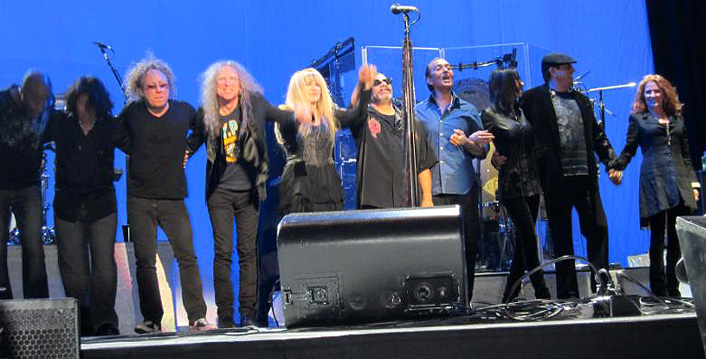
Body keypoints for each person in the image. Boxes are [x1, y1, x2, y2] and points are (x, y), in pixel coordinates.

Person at [186, 60, 303, 328]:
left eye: (232, 80)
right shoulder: (208, 112)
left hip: (249, 191)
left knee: (247, 253)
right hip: (220, 194)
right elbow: (191, 143)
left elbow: (282, 116)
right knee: (223, 253)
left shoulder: (255, 105)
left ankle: (248, 313)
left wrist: (302, 114)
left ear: (241, 85)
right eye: (222, 80)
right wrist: (178, 156)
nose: (227, 84)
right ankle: (225, 315)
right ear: (214, 86)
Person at [119, 57, 211, 333]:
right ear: (141, 89)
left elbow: (202, 129)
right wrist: (134, 151)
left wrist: (187, 150)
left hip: (172, 198)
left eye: (163, 85)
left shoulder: (183, 111)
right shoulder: (132, 113)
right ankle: (152, 319)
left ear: (170, 86)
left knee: (187, 255)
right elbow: (115, 134)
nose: (158, 90)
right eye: (151, 86)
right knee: (145, 260)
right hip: (140, 198)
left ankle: (197, 315)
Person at [521, 53, 620, 299]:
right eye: (567, 68)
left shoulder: (581, 100)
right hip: (556, 179)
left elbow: (597, 136)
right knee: (561, 234)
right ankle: (568, 292)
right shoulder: (534, 99)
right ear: (553, 71)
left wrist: (611, 162)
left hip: (585, 176)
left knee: (597, 227)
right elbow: (517, 126)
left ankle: (602, 284)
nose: (572, 72)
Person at [45, 76, 124, 336]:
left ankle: (104, 320)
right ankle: (80, 319)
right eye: (81, 101)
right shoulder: (60, 124)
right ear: (73, 101)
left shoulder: (110, 126)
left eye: (90, 101)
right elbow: (32, 129)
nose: (85, 106)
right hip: (68, 204)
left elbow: (139, 145)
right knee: (74, 270)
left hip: (101, 203)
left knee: (104, 265)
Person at [611, 74, 699, 297]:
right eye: (648, 92)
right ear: (643, 95)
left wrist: (694, 183)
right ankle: (659, 290)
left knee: (677, 236)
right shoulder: (638, 119)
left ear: (664, 93)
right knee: (658, 236)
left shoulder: (677, 118)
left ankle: (674, 287)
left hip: (679, 179)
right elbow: (629, 148)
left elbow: (686, 154)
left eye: (656, 91)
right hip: (654, 179)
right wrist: (617, 166)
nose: (652, 95)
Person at [416, 57, 493, 302]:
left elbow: (481, 151)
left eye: (448, 67)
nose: (446, 70)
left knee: (468, 244)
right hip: (432, 191)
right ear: (429, 79)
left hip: (462, 186)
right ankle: (438, 300)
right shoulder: (418, 112)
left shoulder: (468, 110)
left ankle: (465, 300)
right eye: (439, 68)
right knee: (434, 248)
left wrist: (467, 142)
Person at [481, 68, 551, 302]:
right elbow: (484, 146)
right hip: (511, 182)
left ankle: (509, 294)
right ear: (505, 85)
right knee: (530, 238)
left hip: (531, 179)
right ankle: (542, 292)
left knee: (525, 241)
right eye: (516, 80)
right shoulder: (490, 114)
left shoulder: (520, 111)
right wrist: (493, 157)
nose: (521, 83)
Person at [275, 66, 376, 214]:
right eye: (309, 84)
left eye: (317, 84)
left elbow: (357, 117)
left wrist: (364, 87)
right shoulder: (287, 113)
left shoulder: (329, 115)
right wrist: (299, 116)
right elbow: (287, 129)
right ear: (298, 89)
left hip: (326, 179)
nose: (315, 88)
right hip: (300, 179)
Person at [348, 71, 436, 209]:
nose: (384, 84)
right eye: (376, 83)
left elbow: (423, 165)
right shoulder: (364, 120)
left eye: (387, 81)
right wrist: (361, 85)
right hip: (375, 203)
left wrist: (427, 199)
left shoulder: (412, 124)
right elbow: (352, 113)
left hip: (408, 202)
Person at [0, 70, 52, 300]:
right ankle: (4, 305)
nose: (39, 107)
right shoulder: (1, 103)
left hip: (29, 186)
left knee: (34, 248)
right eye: (36, 101)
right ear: (23, 93)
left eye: (44, 101)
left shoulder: (46, 112)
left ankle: (37, 304)